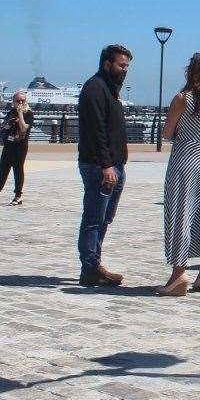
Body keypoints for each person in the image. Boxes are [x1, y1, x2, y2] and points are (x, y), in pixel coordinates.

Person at [159, 53, 200, 297]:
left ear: (191, 71)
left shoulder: (183, 99)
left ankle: (178, 275)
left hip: (186, 161)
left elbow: (167, 133)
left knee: (181, 214)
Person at [77, 44, 131, 288]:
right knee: (94, 218)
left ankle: (95, 263)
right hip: (100, 167)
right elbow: (96, 131)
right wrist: (107, 166)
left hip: (115, 165)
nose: (125, 70)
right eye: (121, 65)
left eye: (127, 66)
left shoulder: (111, 89)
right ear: (107, 64)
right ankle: (89, 268)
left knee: (104, 219)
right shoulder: (94, 89)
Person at [0, 90, 34, 205]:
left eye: (23, 100)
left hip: (20, 146)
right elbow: (5, 126)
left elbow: (24, 128)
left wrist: (20, 113)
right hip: (8, 145)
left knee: (18, 170)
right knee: (2, 170)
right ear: (13, 101)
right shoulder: (11, 112)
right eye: (18, 101)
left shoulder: (29, 113)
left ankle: (18, 196)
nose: (21, 102)